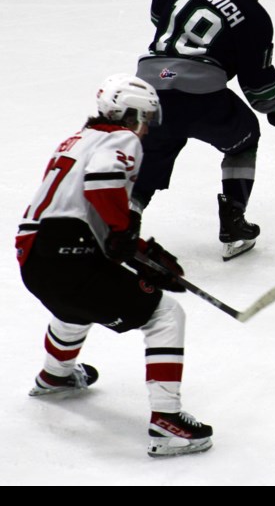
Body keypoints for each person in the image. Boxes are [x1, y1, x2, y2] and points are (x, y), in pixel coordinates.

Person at [16, 74, 213, 458]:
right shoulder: (119, 139)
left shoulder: (77, 140)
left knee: (75, 304)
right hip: (68, 254)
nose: (145, 130)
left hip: (34, 257)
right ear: (130, 113)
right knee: (166, 314)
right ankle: (167, 422)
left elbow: (79, 213)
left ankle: (55, 375)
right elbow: (103, 185)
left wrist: (138, 251)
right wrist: (125, 236)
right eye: (145, 119)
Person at [132, 0, 275, 261]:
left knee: (153, 151)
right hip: (201, 98)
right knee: (245, 136)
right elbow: (260, 91)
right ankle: (234, 224)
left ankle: (122, 225)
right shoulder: (254, 18)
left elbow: (159, 16)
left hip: (150, 88)